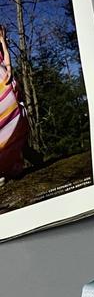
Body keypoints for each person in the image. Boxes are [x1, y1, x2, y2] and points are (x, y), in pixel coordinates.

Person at [0, 24, 31, 186]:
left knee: (13, 118)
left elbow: (5, 54)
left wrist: (9, 69)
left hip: (2, 78)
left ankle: (10, 165)